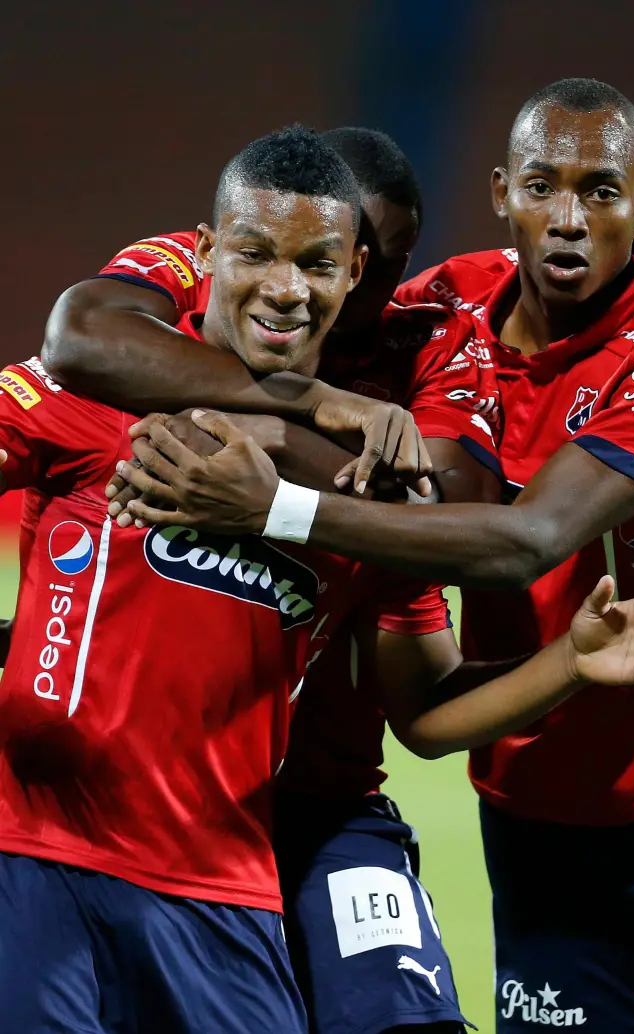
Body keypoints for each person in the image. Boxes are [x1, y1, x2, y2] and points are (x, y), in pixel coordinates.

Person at [120, 81, 634, 1034]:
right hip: (536, 806)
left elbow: (528, 540)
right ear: (500, 192)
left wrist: (275, 501)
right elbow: (167, 325)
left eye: (600, 192)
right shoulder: (442, 311)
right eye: (542, 186)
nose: (568, 219)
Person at [0, 123, 634, 1034]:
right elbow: (75, 338)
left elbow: (426, 697)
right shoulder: (104, 389)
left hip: (226, 886)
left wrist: (568, 663)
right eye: (255, 255)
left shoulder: (372, 482)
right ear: (206, 252)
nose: (286, 288)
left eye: (318, 265)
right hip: (34, 850)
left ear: (356, 274)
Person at [41, 126, 501, 1034]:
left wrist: (275, 481)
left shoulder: (432, 344)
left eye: (367, 267)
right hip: (146, 813)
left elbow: (456, 523)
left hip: (324, 797)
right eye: (269, 254)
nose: (318, 291)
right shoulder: (193, 283)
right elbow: (77, 340)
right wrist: (307, 405)